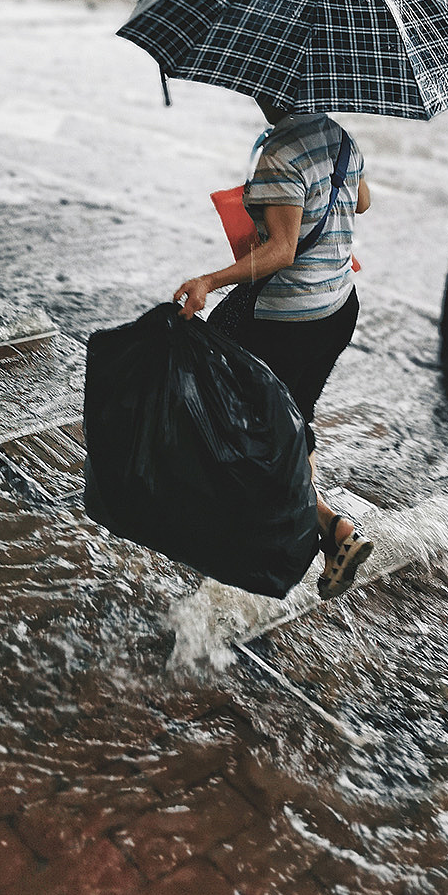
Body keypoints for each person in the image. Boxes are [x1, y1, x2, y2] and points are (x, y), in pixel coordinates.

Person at [173, 98, 372, 600]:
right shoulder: (339, 136)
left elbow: (280, 252)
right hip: (337, 307)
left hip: (289, 318)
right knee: (292, 417)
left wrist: (209, 280)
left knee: (238, 417)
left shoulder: (280, 153)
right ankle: (328, 530)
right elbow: (362, 202)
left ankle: (312, 526)